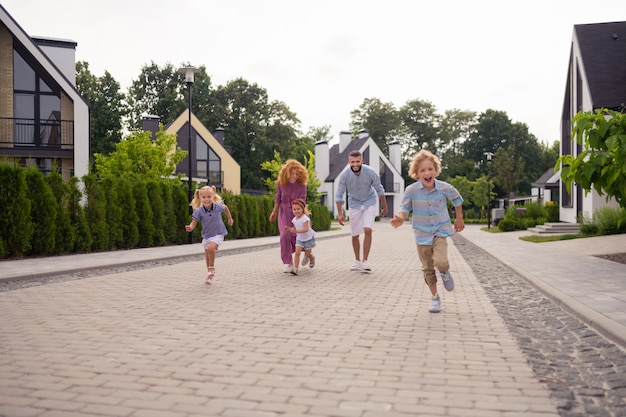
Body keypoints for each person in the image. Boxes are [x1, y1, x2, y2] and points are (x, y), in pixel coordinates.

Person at [390, 149, 464, 313]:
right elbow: (405, 207)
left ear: (435, 170)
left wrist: (459, 219)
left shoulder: (444, 188)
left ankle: (444, 272)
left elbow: (457, 200)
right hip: (422, 235)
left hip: (440, 231)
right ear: (416, 173)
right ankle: (435, 298)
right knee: (428, 269)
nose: (427, 173)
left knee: (441, 262)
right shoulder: (411, 190)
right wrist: (401, 218)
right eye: (423, 170)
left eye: (430, 169)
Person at [335, 150, 388, 272]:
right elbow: (339, 195)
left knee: (367, 229)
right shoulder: (345, 175)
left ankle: (365, 261)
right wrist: (339, 213)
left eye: (357, 161)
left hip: (369, 201)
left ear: (362, 161)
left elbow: (379, 190)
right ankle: (357, 260)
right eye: (352, 162)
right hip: (354, 204)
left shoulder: (370, 172)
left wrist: (385, 207)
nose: (355, 164)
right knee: (355, 234)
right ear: (349, 162)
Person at [185, 185, 234, 285]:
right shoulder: (198, 212)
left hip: (218, 233)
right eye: (204, 197)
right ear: (200, 198)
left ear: (213, 197)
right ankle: (209, 274)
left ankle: (212, 268)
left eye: (209, 197)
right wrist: (190, 227)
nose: (206, 199)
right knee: (207, 254)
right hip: (206, 235)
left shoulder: (217, 207)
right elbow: (193, 222)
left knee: (211, 248)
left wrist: (230, 218)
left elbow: (225, 208)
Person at [269, 159, 308, 273]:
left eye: (296, 174)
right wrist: (274, 212)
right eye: (292, 173)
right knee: (285, 236)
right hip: (284, 213)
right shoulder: (281, 184)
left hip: (298, 213)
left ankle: (308, 253)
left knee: (299, 236)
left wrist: (300, 215)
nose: (294, 176)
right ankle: (288, 262)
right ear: (286, 173)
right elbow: (278, 198)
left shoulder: (302, 186)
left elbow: (302, 201)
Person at [283, 199, 317, 276]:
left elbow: (306, 229)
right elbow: (295, 229)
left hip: (308, 239)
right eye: (294, 209)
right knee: (297, 253)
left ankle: (311, 258)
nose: (296, 211)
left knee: (307, 254)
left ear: (302, 209)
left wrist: (296, 231)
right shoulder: (294, 220)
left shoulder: (305, 218)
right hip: (300, 239)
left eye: (298, 209)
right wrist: (289, 229)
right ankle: (295, 269)